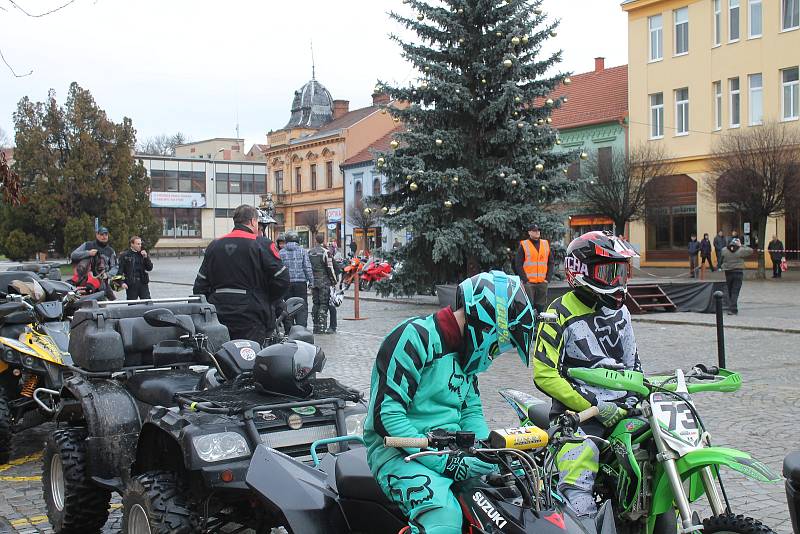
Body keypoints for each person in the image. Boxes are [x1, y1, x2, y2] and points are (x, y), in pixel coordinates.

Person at [364, 271, 535, 534]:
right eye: (502, 345)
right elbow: (387, 417)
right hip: (398, 451)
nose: (497, 354)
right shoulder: (415, 337)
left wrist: (485, 450)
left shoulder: (466, 353)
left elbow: (471, 410)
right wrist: (446, 463)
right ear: (489, 326)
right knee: (444, 514)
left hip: (450, 452)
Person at [533, 231, 640, 518]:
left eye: (621, 272)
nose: (617, 282)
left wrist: (638, 396)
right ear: (580, 272)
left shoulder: (623, 312)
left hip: (621, 409)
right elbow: (544, 374)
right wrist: (593, 407)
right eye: (609, 272)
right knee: (579, 486)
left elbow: (634, 365)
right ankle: (579, 518)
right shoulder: (557, 312)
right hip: (578, 416)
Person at [193, 204, 289, 343]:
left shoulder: (214, 245)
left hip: (219, 314)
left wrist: (214, 300)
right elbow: (282, 280)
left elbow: (200, 286)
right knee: (251, 357)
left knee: (223, 357)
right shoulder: (261, 244)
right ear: (252, 221)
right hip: (252, 315)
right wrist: (266, 299)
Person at [514, 223, 555, 314]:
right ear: (529, 232)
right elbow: (518, 264)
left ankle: (539, 325)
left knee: (541, 306)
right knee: (529, 306)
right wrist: (524, 279)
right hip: (529, 283)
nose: (537, 232)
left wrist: (547, 278)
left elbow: (551, 262)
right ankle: (530, 326)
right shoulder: (524, 245)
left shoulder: (545, 244)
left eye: (538, 230)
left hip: (542, 282)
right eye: (534, 231)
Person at [71, 226, 118, 299]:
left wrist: (107, 274)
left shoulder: (110, 251)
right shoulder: (87, 245)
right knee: (85, 307)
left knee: (103, 307)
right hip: (84, 283)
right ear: (97, 235)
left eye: (106, 234)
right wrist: (88, 253)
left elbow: (115, 267)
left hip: (102, 283)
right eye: (102, 234)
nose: (104, 237)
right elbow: (73, 255)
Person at [279, 232, 313, 328]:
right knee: (301, 306)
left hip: (286, 283)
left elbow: (278, 269)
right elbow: (307, 267)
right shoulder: (302, 251)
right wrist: (311, 281)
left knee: (287, 306)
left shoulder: (281, 252)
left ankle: (289, 330)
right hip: (301, 283)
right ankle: (301, 329)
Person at [308, 233, 337, 334]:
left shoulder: (310, 252)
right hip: (324, 282)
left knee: (315, 303)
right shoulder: (326, 252)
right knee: (323, 304)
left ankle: (315, 326)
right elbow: (330, 268)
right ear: (323, 240)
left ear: (315, 240)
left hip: (314, 281)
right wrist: (334, 281)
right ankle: (322, 327)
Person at [720, 238, 752, 315]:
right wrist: (742, 245)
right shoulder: (740, 250)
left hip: (728, 272)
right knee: (735, 291)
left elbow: (721, 257)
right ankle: (733, 309)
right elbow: (750, 250)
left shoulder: (724, 250)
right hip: (738, 272)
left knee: (730, 290)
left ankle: (731, 307)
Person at [117, 236, 153, 300]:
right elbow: (120, 271)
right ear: (132, 244)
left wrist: (146, 258)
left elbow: (149, 268)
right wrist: (121, 283)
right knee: (132, 304)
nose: (140, 246)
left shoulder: (142, 254)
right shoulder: (125, 255)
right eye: (138, 244)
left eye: (140, 244)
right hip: (131, 283)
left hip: (143, 282)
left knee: (147, 302)